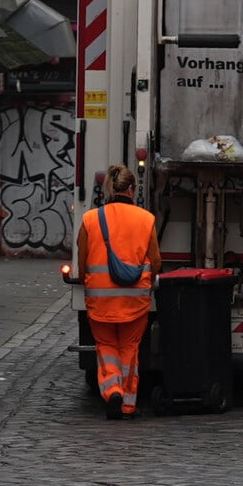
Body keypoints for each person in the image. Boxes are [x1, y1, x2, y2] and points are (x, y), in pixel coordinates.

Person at [77, 164, 161, 420]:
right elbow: (155, 261)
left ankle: (112, 389)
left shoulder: (90, 220)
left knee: (106, 347)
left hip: (100, 303)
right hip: (134, 302)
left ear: (109, 189)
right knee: (129, 350)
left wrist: (89, 282)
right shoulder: (146, 220)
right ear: (133, 189)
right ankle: (127, 404)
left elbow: (83, 262)